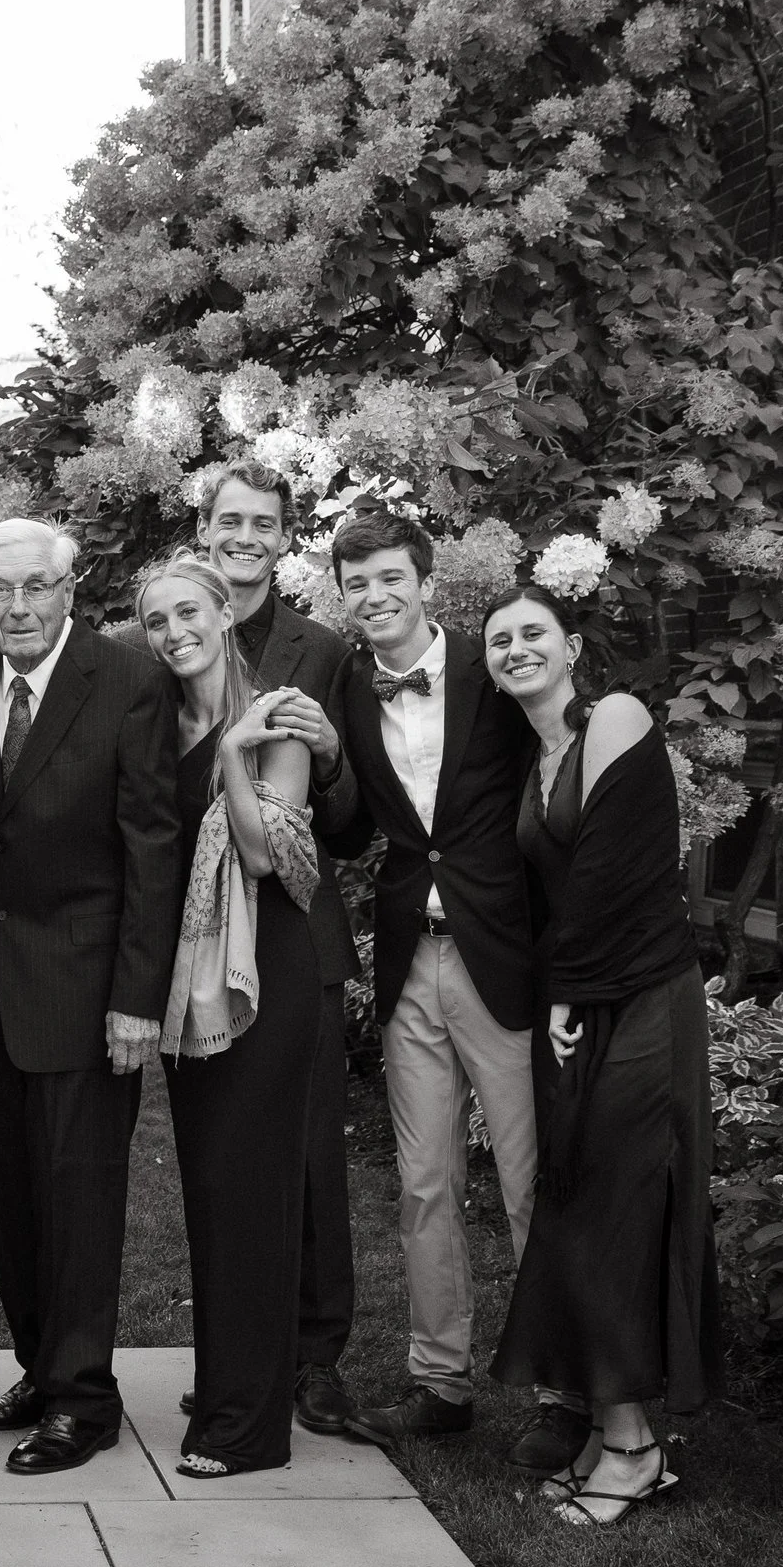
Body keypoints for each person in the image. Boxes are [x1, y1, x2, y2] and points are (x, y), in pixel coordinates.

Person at [326, 507, 585, 1474]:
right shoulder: (349, 688)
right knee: (426, 1180)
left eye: (391, 577)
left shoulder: (496, 664)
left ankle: (563, 1388)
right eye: (357, 584)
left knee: (527, 1177)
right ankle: (441, 1382)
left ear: (423, 581)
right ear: (344, 597)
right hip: (409, 955)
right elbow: (356, 827)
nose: (376, 596)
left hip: (503, 952)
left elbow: (560, 782)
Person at [0, 518, 183, 1477]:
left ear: (71, 589)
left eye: (37, 587)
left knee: (80, 1202)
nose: (19, 608)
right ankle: (41, 1370)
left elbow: (152, 849)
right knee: (9, 1197)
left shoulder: (127, 681)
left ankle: (86, 1400)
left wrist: (136, 998)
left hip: (87, 992)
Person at [482, 585, 719, 1524]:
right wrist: (557, 997)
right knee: (575, 1199)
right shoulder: (529, 761)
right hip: (579, 1004)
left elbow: (616, 873)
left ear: (571, 645)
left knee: (616, 1209)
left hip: (643, 999)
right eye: (500, 641)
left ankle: (634, 1446)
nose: (516, 650)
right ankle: (606, 1426)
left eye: (533, 633)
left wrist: (569, 994)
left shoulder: (613, 718)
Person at [139, 557, 321, 1478]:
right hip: (191, 982)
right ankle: (226, 1388)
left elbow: (265, 857)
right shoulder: (160, 720)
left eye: (188, 612)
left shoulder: (279, 715)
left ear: (222, 613)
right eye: (156, 620)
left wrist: (231, 755)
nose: (174, 632)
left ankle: (249, 1429)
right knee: (213, 1189)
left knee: (252, 1191)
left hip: (263, 979)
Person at [198, 461, 362, 1438]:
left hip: (299, 929)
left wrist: (334, 752)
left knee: (307, 1157)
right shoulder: (169, 638)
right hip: (200, 935)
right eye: (229, 519)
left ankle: (314, 1357)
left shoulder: (322, 650)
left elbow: (349, 826)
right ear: (205, 527)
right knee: (219, 1156)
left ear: (282, 536)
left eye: (263, 522)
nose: (245, 536)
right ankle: (233, 1353)